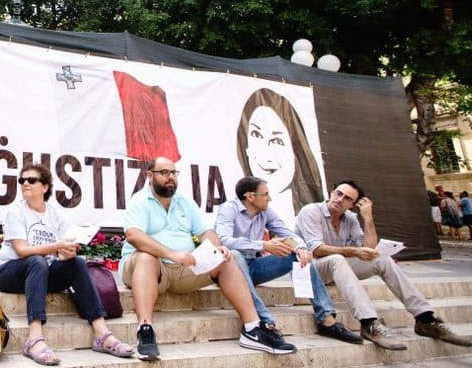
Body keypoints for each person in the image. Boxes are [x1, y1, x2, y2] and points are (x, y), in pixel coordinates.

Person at [121, 157, 296, 359]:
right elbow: (134, 235)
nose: (171, 177)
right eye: (164, 173)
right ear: (150, 176)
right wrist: (171, 254)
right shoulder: (140, 200)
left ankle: (252, 329)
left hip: (183, 269)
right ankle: (145, 330)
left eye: (174, 173)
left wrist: (217, 247)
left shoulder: (184, 201)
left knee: (227, 257)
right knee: (145, 257)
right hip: (150, 269)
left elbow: (205, 232)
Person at [295, 180, 472, 350]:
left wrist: (368, 218)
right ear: (332, 192)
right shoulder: (311, 211)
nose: (340, 199)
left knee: (382, 258)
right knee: (337, 259)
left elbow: (369, 248)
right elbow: (316, 249)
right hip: (308, 270)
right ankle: (369, 323)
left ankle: (425, 318)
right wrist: (355, 252)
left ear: (353, 204)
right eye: (338, 193)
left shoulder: (350, 218)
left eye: (347, 198)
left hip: (335, 268)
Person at [0, 164, 135, 365]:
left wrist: (68, 252)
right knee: (36, 260)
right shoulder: (15, 212)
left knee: (77, 262)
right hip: (10, 272)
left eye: (31, 180)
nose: (25, 183)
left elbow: (63, 251)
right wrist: (57, 246)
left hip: (41, 273)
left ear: (44, 187)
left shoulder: (55, 214)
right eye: (22, 180)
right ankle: (34, 339)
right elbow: (22, 251)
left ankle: (101, 333)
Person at [215, 176, 362, 344]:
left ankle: (326, 320)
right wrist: (263, 245)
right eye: (265, 194)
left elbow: (287, 233)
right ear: (250, 197)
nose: (269, 198)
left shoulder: (265, 211)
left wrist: (301, 248)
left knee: (296, 256)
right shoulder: (229, 209)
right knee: (235, 254)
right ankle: (265, 323)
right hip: (230, 273)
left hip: (254, 267)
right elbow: (224, 241)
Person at [236, 88, 324, 222]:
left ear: (296, 152)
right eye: (256, 135)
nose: (266, 154)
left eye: (277, 141)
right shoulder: (233, 209)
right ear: (246, 147)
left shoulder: (312, 215)